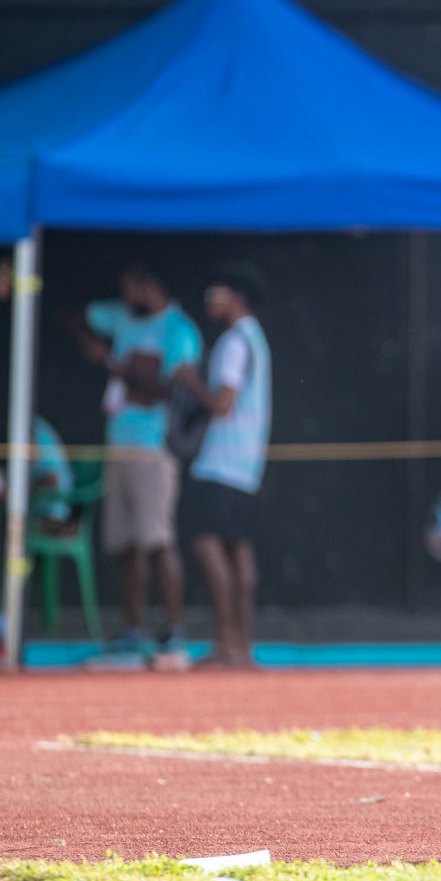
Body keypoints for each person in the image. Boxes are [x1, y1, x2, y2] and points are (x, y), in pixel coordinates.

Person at [78, 260, 201, 667]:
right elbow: (71, 313)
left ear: (150, 286)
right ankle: (133, 630)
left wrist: (116, 364)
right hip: (119, 446)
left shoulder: (179, 332)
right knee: (124, 545)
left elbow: (171, 388)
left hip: (154, 449)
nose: (125, 297)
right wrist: (91, 343)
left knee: (158, 540)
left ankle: (173, 630)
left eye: (130, 288)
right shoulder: (122, 319)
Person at [173, 264, 272, 669]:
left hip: (222, 460)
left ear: (238, 297)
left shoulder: (234, 341)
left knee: (207, 543)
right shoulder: (256, 338)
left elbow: (223, 403)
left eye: (218, 293)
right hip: (248, 463)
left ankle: (228, 645)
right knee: (237, 549)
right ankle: (242, 646)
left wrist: (188, 379)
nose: (211, 301)